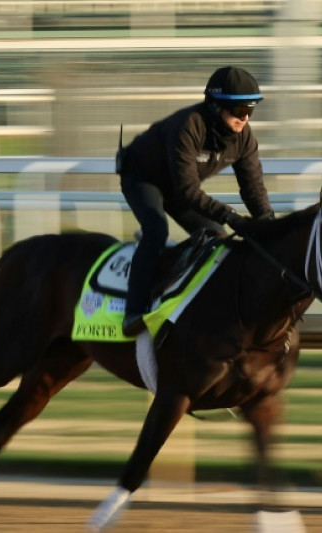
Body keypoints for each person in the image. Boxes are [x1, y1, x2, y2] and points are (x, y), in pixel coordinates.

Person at [116, 66, 275, 336]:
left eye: (250, 111)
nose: (245, 118)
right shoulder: (189, 126)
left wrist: (269, 227)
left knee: (217, 239)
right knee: (156, 230)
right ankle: (133, 311)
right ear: (215, 106)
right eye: (239, 111)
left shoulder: (244, 139)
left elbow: (253, 189)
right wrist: (232, 216)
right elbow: (188, 190)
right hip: (142, 177)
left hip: (178, 187)